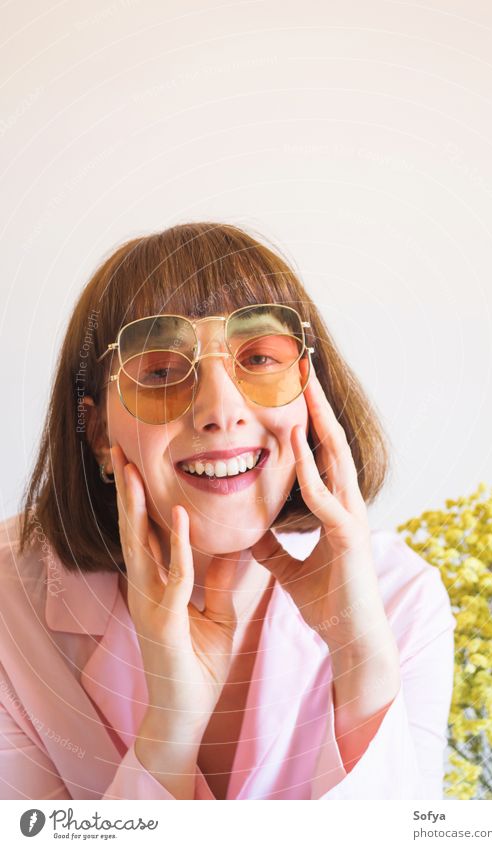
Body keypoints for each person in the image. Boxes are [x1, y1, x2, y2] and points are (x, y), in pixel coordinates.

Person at [0, 222, 456, 800]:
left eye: (260, 358)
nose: (221, 410)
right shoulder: (8, 610)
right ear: (96, 434)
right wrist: (168, 733)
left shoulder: (400, 600)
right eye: (162, 371)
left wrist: (361, 662)